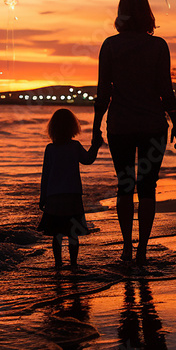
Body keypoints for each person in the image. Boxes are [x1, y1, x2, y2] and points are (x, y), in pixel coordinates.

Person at [92, 0, 176, 267]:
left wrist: (95, 128)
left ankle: (126, 248)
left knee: (125, 186)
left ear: (121, 12)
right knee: (147, 188)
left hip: (119, 125)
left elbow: (102, 92)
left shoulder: (110, 45)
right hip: (153, 127)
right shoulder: (158, 46)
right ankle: (142, 248)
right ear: (147, 13)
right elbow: (165, 91)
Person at [38, 108, 103, 268]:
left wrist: (42, 197)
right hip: (72, 196)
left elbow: (45, 175)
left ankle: (58, 264)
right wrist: (95, 146)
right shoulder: (74, 146)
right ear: (72, 127)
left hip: (54, 197)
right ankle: (73, 264)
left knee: (57, 234)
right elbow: (88, 160)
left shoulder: (50, 149)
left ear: (52, 128)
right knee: (73, 233)